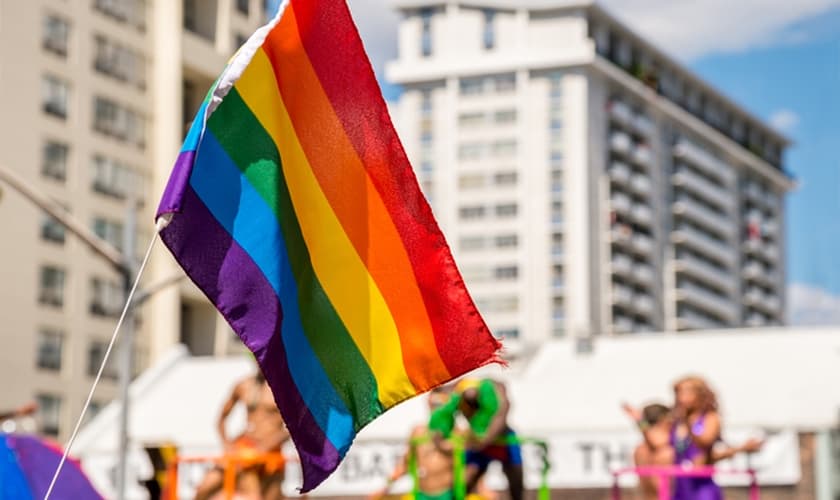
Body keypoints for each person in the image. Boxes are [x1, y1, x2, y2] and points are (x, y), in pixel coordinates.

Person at [194, 366, 290, 500]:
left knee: (267, 496)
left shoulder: (285, 389)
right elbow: (221, 418)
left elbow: (296, 428)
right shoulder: (244, 385)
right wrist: (226, 444)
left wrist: (270, 443)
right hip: (245, 446)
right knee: (206, 486)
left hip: (271, 452)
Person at [428, 378, 522, 500]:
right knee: (463, 482)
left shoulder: (493, 389)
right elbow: (442, 419)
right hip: (479, 443)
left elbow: (501, 412)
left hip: (503, 440)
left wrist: (483, 440)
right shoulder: (458, 397)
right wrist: (439, 439)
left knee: (516, 482)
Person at [369, 387, 456, 500]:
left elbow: (469, 465)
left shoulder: (456, 432)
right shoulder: (418, 432)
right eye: (434, 403)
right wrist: (385, 488)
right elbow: (405, 463)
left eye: (440, 404)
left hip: (448, 495)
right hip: (421, 495)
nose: (437, 408)